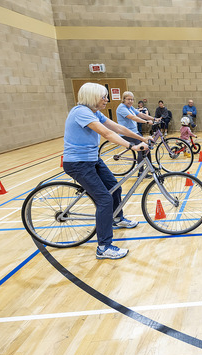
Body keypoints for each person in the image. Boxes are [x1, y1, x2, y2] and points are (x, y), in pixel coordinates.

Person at [62, 83, 149, 260]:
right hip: (78, 163)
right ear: (93, 97)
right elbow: (107, 134)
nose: (107, 100)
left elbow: (118, 128)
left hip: (92, 159)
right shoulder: (81, 112)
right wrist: (132, 146)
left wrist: (141, 138)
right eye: (104, 97)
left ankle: (117, 219)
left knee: (115, 187)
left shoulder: (94, 112)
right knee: (104, 199)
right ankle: (103, 247)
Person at [117, 91, 158, 177]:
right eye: (128, 99)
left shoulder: (130, 107)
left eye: (132, 99)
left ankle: (149, 167)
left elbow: (141, 114)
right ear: (123, 99)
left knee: (146, 148)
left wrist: (154, 119)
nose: (131, 101)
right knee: (141, 149)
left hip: (134, 132)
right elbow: (133, 117)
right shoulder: (122, 108)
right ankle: (141, 172)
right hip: (126, 133)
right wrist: (146, 122)